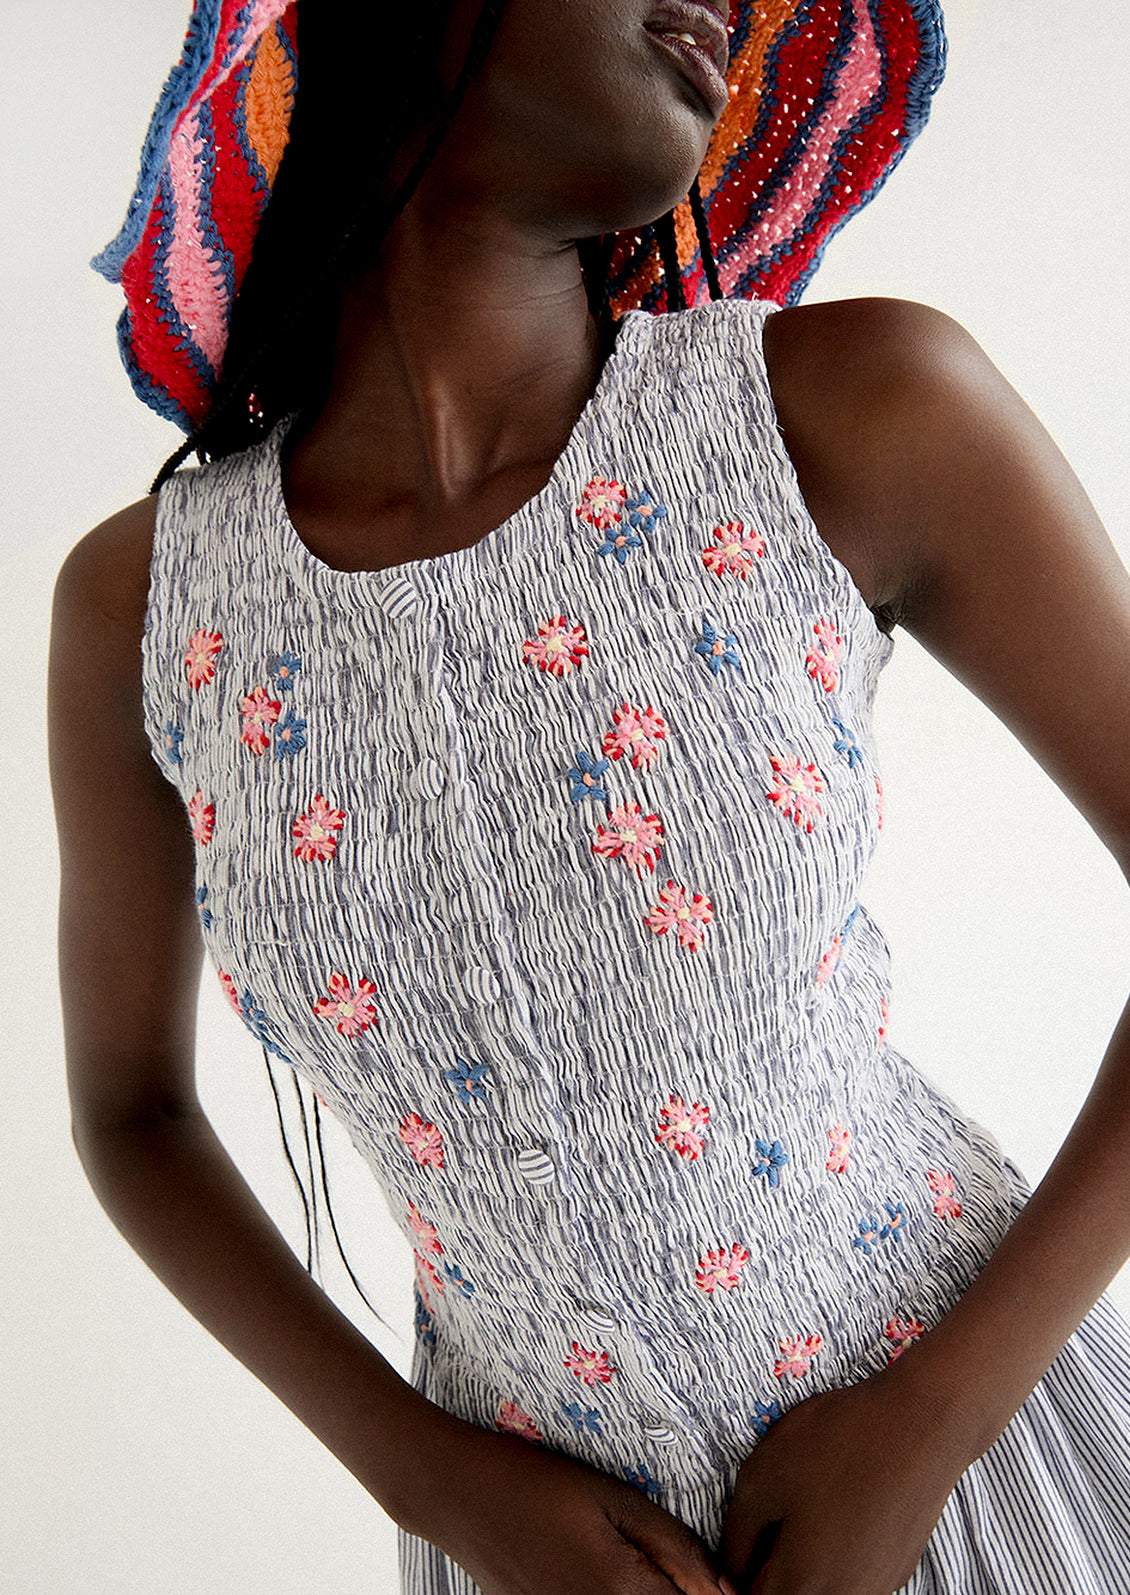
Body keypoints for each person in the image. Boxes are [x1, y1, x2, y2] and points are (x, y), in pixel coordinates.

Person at [48, 0, 1130, 1591]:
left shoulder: (847, 411)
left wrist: (923, 1426)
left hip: (978, 1471)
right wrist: (430, 1479)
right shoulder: (143, 610)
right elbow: (131, 1115)